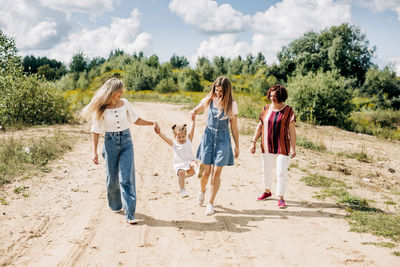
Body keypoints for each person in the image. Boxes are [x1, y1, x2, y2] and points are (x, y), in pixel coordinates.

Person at [82, 77, 159, 224]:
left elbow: (135, 119)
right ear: (112, 92)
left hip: (126, 142)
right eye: (119, 91)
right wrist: (94, 152)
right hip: (110, 143)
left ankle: (130, 214)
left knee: (126, 178)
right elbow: (96, 130)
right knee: (112, 180)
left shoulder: (125, 104)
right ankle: (116, 204)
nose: (122, 93)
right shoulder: (101, 109)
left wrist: (152, 123)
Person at [190, 76, 239, 215]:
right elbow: (198, 108)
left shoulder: (232, 104)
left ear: (227, 91)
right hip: (209, 137)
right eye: (216, 90)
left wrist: (237, 146)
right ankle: (202, 190)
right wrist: (194, 112)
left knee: (216, 172)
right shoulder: (210, 99)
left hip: (223, 139)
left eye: (221, 91)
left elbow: (234, 127)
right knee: (206, 173)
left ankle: (210, 203)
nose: (218, 93)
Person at [250, 84, 296, 209]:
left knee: (281, 172)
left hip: (283, 146)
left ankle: (280, 197)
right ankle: (267, 191)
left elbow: (292, 131)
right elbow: (260, 126)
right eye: (270, 95)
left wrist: (293, 148)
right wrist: (253, 141)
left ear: (281, 97)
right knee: (266, 169)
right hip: (266, 144)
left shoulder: (288, 111)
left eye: (274, 96)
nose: (271, 98)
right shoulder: (265, 109)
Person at [155, 114, 203, 198]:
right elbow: (165, 138)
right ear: (175, 136)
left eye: (183, 136)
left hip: (189, 165)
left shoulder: (188, 141)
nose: (181, 139)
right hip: (180, 165)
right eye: (179, 137)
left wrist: (193, 121)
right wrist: (159, 133)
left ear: (185, 135)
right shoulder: (174, 144)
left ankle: (198, 172)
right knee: (181, 172)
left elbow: (192, 130)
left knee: (194, 163)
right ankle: (183, 190)